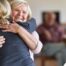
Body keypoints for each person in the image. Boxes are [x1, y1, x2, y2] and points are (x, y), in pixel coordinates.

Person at [0, 0, 43, 66]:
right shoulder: (3, 25)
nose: (20, 14)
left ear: (28, 15)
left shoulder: (31, 31)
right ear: (9, 12)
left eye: (24, 12)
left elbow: (37, 49)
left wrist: (19, 29)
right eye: (17, 10)